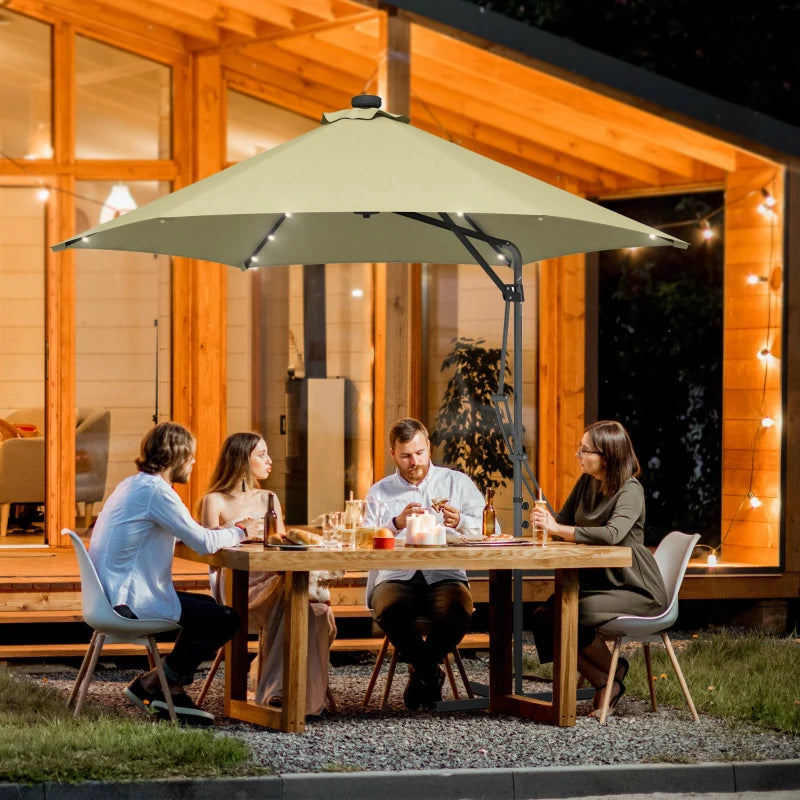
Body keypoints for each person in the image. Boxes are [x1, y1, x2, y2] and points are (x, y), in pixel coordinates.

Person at [89, 422, 260, 725]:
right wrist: (240, 530)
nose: (194, 463)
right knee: (227, 619)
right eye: (191, 456)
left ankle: (162, 684)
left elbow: (182, 532)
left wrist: (215, 533)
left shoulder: (132, 485)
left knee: (208, 608)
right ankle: (160, 685)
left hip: (109, 596)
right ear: (178, 456)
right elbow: (204, 543)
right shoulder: (157, 492)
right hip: (130, 603)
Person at [530, 419, 668, 717]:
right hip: (600, 582)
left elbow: (612, 534)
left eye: (585, 450)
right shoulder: (587, 482)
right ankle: (608, 678)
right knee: (544, 616)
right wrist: (545, 522)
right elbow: (564, 522)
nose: (578, 455)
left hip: (634, 586)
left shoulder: (630, 490)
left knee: (570, 612)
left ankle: (611, 676)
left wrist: (559, 528)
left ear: (607, 456)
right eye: (579, 449)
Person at [199, 432, 337, 716]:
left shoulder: (269, 498)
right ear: (241, 459)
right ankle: (283, 691)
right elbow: (210, 554)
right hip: (238, 584)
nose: (269, 460)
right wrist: (238, 530)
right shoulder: (215, 501)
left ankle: (283, 694)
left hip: (274, 575)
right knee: (306, 599)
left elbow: (281, 546)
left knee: (307, 607)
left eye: (267, 453)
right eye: (261, 454)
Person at [364, 417, 489, 711]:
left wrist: (461, 521)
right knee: (390, 609)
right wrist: (395, 523)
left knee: (459, 610)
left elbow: (488, 529)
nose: (414, 461)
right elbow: (362, 538)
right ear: (393, 454)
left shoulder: (455, 482)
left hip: (444, 574)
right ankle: (431, 673)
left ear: (429, 447)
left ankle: (421, 671)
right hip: (396, 576)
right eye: (406, 455)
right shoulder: (380, 491)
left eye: (419, 453)